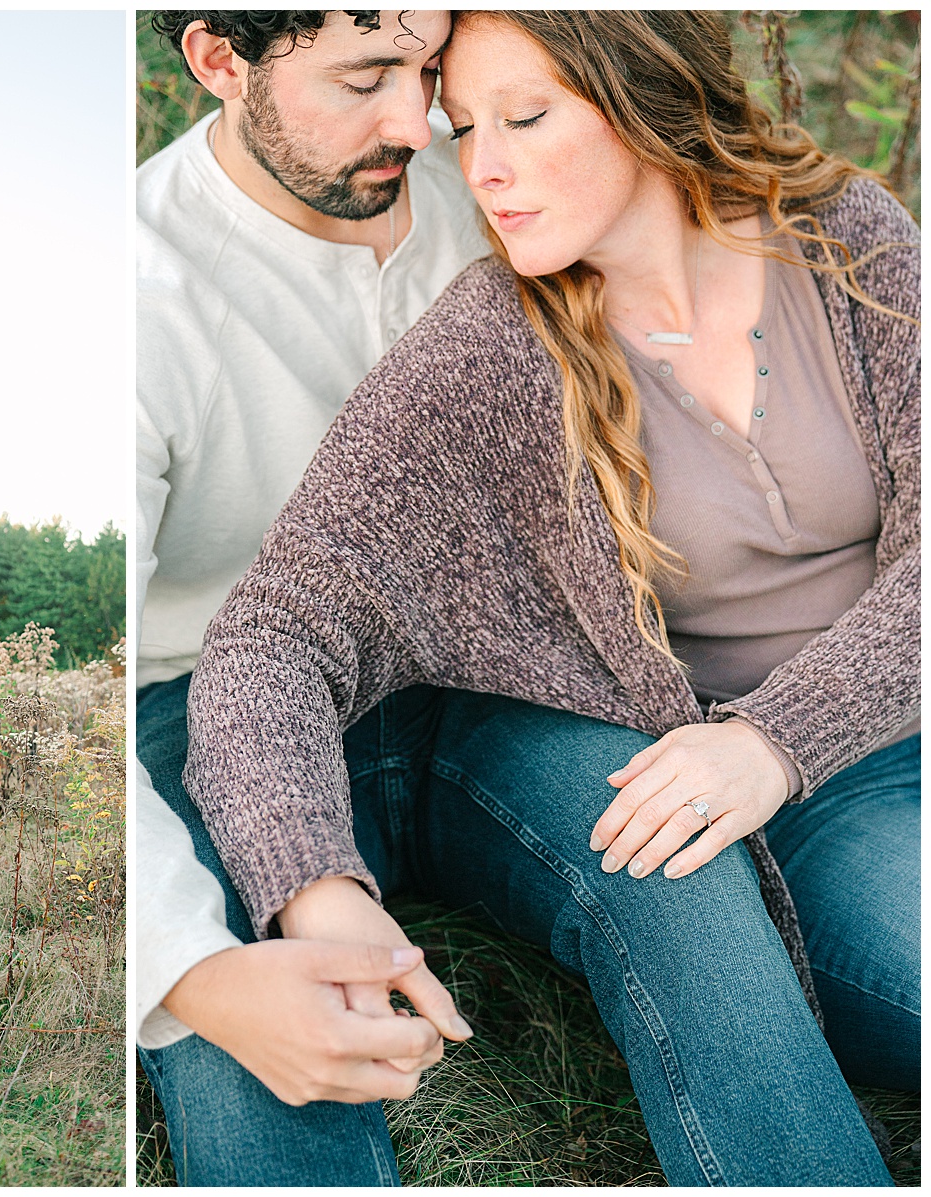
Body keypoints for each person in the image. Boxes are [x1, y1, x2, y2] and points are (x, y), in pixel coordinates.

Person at [185, 10, 917, 1187]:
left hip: (880, 744)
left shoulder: (843, 238)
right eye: (465, 127)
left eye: (525, 118)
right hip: (746, 806)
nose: (482, 168)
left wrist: (781, 741)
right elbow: (273, 632)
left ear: (642, 91)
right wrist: (311, 883)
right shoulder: (492, 346)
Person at [135, 9, 491, 1185]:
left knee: (686, 881)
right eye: (366, 77)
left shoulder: (496, 184)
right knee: (258, 1059)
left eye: (431, 68)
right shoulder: (135, 303)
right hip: (186, 710)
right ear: (217, 61)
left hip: (470, 681)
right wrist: (191, 969)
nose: (422, 124)